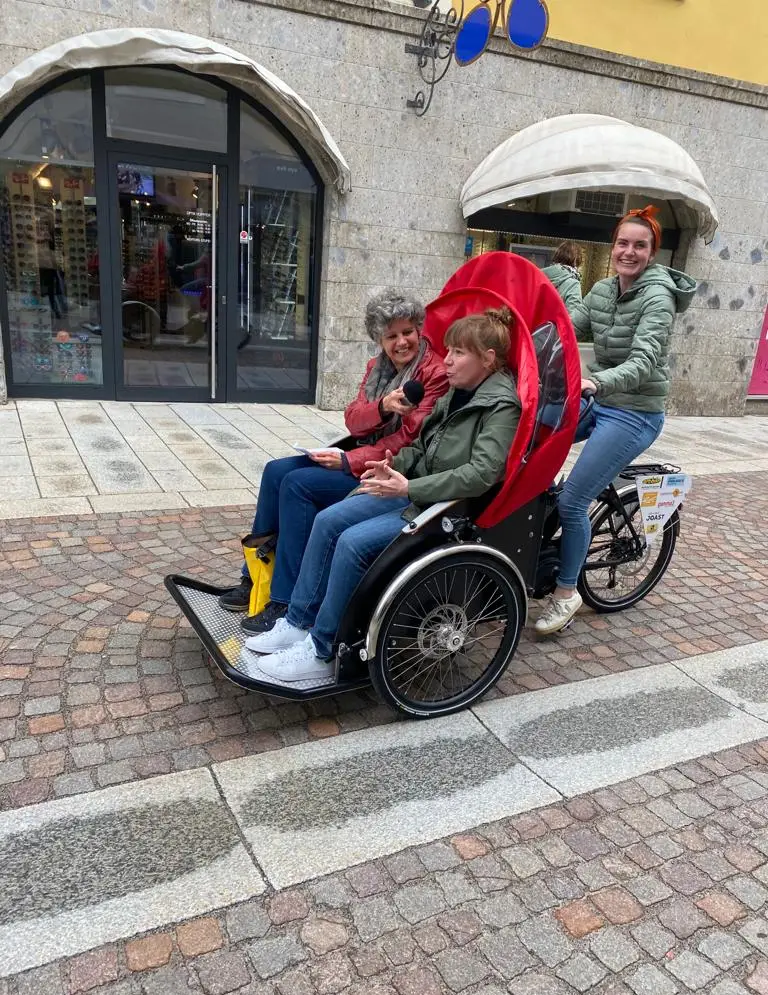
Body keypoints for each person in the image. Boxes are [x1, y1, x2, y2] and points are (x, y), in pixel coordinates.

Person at [244, 306, 522, 683]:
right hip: (414, 491)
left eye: (458, 352)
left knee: (353, 543)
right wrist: (390, 467)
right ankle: (298, 622)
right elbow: (420, 447)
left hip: (441, 507)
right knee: (328, 520)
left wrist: (409, 486)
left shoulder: (500, 406)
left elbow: (482, 474)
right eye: (450, 350)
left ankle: (322, 650)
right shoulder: (458, 394)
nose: (448, 361)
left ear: (488, 360)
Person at [217, 288, 448, 633]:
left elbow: (409, 441)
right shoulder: (377, 369)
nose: (401, 342)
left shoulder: (433, 373)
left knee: (298, 486)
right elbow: (353, 420)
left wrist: (347, 461)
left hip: (385, 470)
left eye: (408, 332)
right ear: (379, 339)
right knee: (276, 471)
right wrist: (383, 406)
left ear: (419, 329)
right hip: (361, 455)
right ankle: (254, 577)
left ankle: (282, 599)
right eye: (391, 336)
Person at [534, 206, 696, 636]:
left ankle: (566, 594)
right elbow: (569, 327)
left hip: (634, 412)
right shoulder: (604, 290)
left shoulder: (659, 298)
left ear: (652, 252)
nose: (629, 251)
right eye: (623, 243)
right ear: (613, 248)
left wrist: (596, 382)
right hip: (600, 396)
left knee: (572, 502)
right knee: (530, 437)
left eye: (639, 245)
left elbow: (644, 361)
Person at [542, 241, 584, 316]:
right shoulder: (573, 284)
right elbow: (572, 317)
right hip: (556, 326)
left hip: (533, 326)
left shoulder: (540, 275)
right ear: (577, 260)